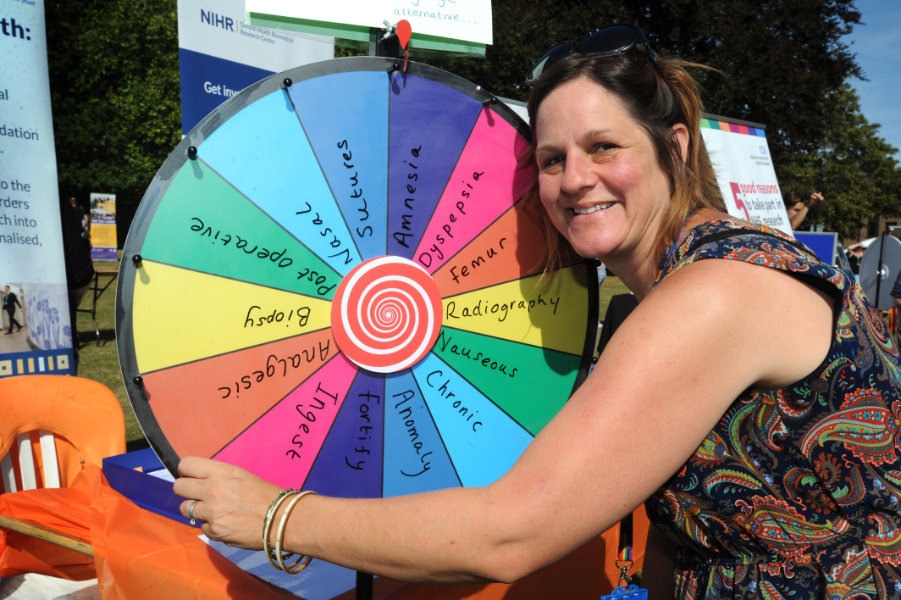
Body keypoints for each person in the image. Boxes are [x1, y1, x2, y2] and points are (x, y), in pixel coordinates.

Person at [173, 24, 901, 598]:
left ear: (673, 147)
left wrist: (275, 517)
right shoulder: (706, 271)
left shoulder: (713, 292)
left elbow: (511, 534)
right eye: (550, 160)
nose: (574, 180)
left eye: (602, 147)